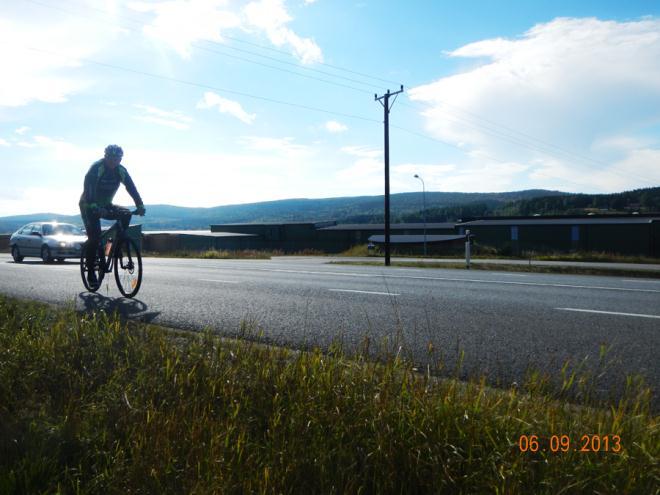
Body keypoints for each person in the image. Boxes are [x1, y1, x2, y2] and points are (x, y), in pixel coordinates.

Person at [79, 144, 145, 287]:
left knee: (126, 214)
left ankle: (117, 242)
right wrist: (93, 206)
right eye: (111, 158)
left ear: (120, 159)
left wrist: (139, 205)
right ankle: (91, 272)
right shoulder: (96, 168)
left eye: (117, 159)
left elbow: (131, 188)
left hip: (106, 204)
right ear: (105, 157)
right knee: (94, 237)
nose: (114, 162)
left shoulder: (121, 171)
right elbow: (88, 187)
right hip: (88, 205)